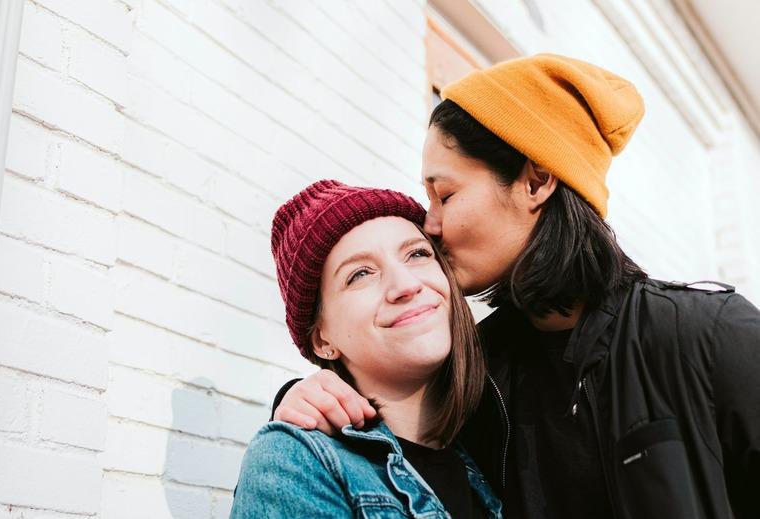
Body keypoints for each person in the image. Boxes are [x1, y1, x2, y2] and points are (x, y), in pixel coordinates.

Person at [271, 54, 760, 519]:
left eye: (445, 195)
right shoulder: (481, 375)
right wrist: (302, 396)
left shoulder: (707, 336)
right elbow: (395, 443)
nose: (431, 225)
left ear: (536, 181)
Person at [231, 180, 503, 518]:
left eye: (417, 254)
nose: (405, 285)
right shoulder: (296, 461)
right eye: (360, 274)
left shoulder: (497, 442)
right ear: (322, 340)